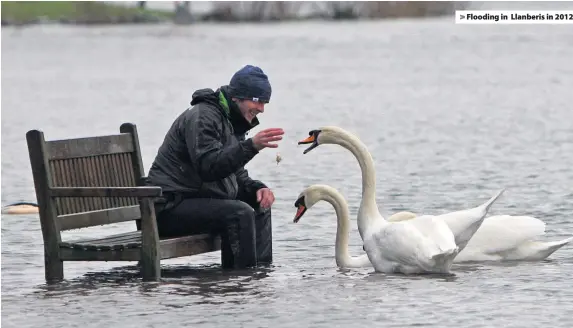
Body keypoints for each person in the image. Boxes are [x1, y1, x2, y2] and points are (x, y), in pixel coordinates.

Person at [145, 65, 284, 269]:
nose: (261, 108)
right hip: (169, 206)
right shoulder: (204, 116)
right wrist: (251, 146)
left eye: (265, 102)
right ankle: (240, 283)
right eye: (257, 100)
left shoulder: (230, 119)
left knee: (259, 204)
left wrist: (257, 188)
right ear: (237, 96)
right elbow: (209, 167)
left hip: (196, 199)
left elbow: (235, 175)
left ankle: (258, 280)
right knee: (239, 214)